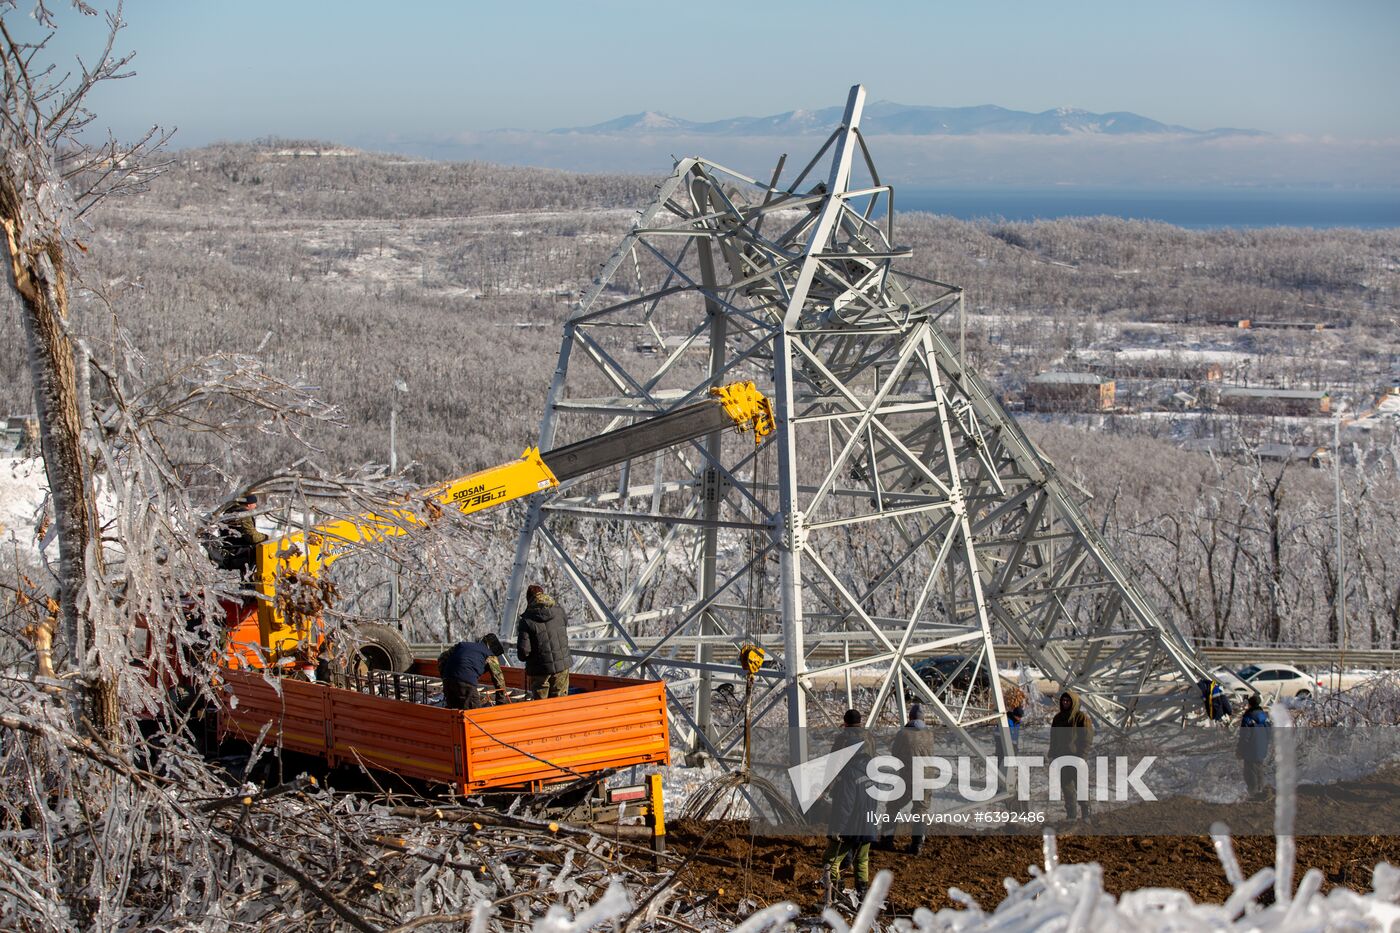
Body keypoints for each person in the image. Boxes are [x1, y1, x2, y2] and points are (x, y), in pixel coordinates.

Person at [820, 730, 879, 905]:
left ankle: (835, 895)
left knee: (830, 860)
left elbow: (845, 805)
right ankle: (862, 897)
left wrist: (838, 829)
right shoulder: (872, 771)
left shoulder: (848, 774)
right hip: (868, 823)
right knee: (862, 860)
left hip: (850, 826)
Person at [887, 704, 934, 853]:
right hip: (926, 777)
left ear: (910, 717)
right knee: (920, 810)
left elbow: (895, 754)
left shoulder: (904, 733)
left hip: (909, 777)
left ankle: (887, 840)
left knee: (893, 806)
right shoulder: (929, 734)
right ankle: (917, 846)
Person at [517, 584, 571, 699]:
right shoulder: (559, 612)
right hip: (561, 666)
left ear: (529, 599)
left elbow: (523, 652)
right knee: (560, 703)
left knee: (541, 706)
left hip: (539, 670)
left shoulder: (526, 620)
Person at [1048, 690, 1094, 821]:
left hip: (1077, 758)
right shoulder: (1058, 718)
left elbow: (1087, 739)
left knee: (1081, 787)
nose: (1065, 702)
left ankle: (1086, 814)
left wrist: (1082, 757)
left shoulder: (1081, 718)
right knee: (1067, 788)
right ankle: (1071, 815)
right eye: (1063, 700)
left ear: (1074, 702)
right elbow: (1053, 738)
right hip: (1061, 759)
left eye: (1068, 701)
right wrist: (1052, 754)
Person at [438, 634, 509, 709]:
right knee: (474, 714)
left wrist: (445, 676)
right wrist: (501, 701)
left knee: (453, 713)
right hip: (466, 684)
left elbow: (442, 657)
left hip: (447, 680)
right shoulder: (490, 655)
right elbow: (499, 679)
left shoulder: (462, 645)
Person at [210, 493, 266, 580]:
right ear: (249, 504)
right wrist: (266, 537)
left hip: (229, 550)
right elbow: (252, 537)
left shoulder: (229, 512)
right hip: (240, 553)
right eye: (255, 503)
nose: (255, 506)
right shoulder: (243, 515)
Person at [1236, 693, 1272, 800]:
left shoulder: (1247, 718)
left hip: (1250, 750)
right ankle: (1261, 791)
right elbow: (1269, 732)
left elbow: (1244, 736)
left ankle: (1254, 794)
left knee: (1250, 773)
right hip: (1262, 748)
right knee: (1259, 770)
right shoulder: (1265, 717)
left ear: (1250, 705)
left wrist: (1240, 749)